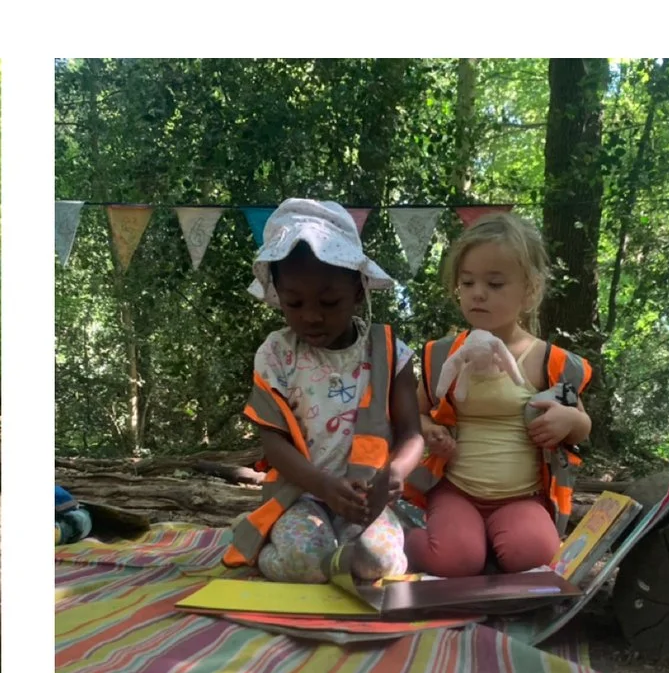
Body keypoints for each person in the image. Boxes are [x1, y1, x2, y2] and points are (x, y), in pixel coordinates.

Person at [221, 201, 428, 586]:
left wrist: (396, 472)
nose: (311, 316)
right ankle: (269, 541)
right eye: (294, 303)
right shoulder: (275, 354)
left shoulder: (388, 350)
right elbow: (273, 442)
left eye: (328, 302)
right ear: (277, 295)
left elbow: (412, 433)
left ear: (357, 288)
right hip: (301, 495)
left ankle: (345, 554)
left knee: (376, 560)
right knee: (304, 562)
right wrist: (323, 487)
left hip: (368, 500)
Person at [401, 213, 595, 577]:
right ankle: (400, 536)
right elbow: (413, 415)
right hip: (456, 490)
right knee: (455, 560)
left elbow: (582, 424)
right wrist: (429, 430)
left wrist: (567, 420)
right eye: (467, 281)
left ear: (530, 290)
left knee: (535, 554)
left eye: (494, 283)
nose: (477, 293)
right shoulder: (443, 355)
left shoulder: (548, 361)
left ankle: (488, 545)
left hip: (522, 496)